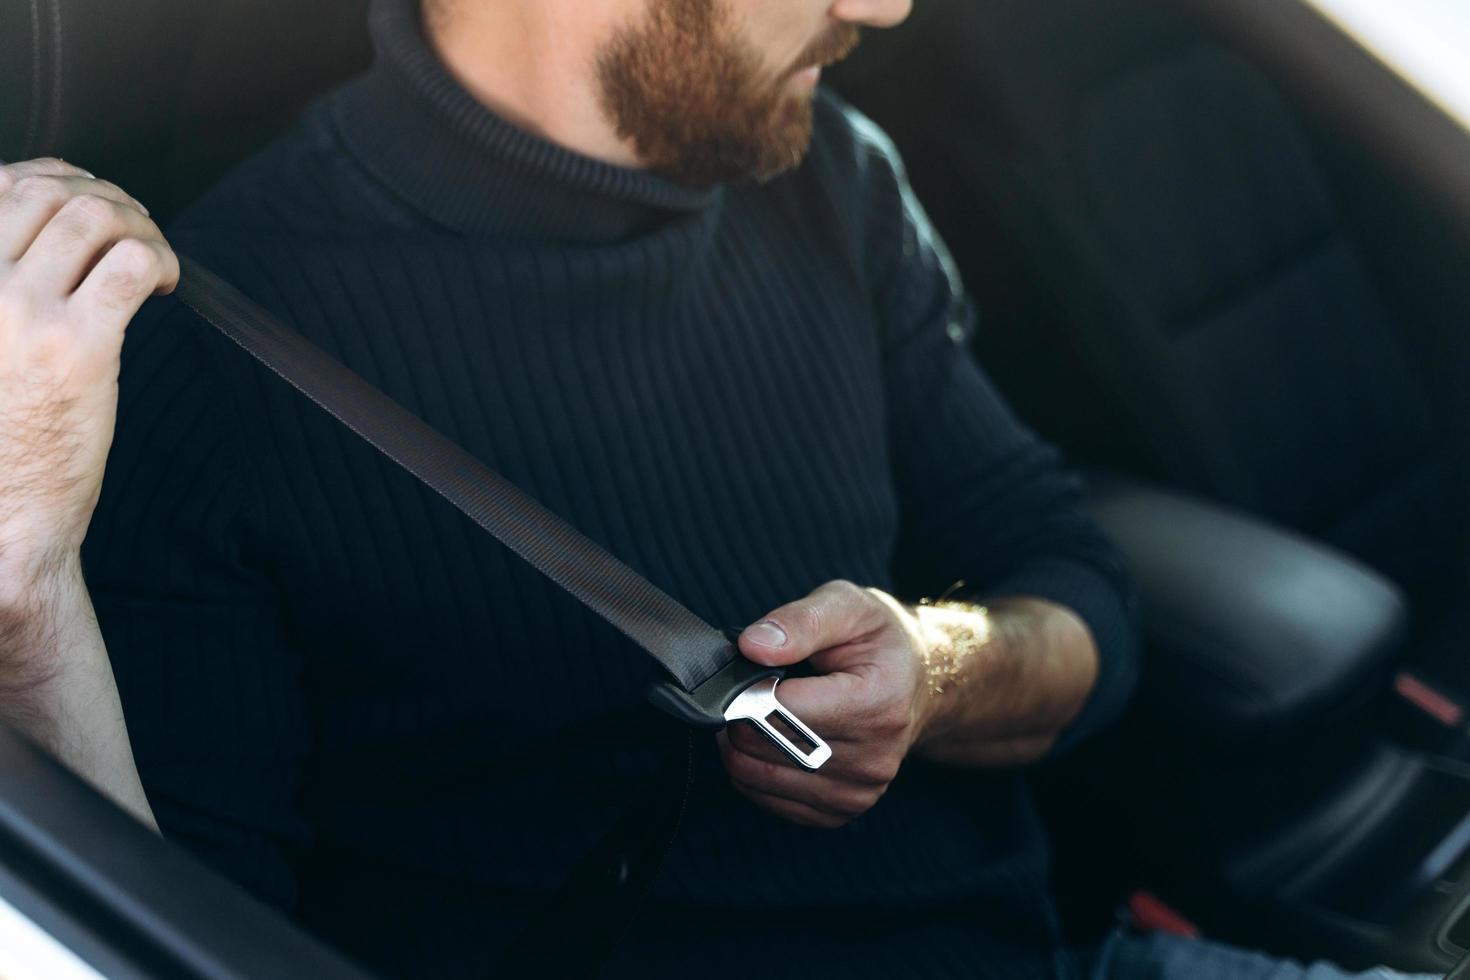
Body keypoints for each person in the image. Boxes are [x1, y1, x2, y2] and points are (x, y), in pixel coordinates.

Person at [0, 0, 1442, 977]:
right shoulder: (196, 363)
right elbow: (181, 936)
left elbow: (1078, 595)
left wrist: (934, 670)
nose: (884, 5)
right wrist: (26, 598)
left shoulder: (834, 183)